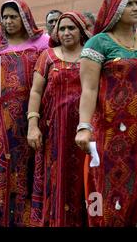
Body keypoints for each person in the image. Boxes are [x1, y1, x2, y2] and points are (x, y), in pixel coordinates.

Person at [76, 0, 137, 227]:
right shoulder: (99, 43)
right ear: (114, 10)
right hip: (111, 135)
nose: (136, 8)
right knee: (111, 191)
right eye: (129, 4)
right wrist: (84, 127)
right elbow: (89, 90)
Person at [0, 0, 48, 227]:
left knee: (28, 168)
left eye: (14, 16)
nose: (8, 21)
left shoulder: (42, 40)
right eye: (5, 17)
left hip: (33, 116)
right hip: (0, 118)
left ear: (25, 17)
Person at [27, 12, 92, 227]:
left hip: (84, 133)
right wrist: (33, 125)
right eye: (62, 28)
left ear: (81, 31)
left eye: (71, 28)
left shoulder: (92, 56)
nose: (66, 33)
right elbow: (36, 92)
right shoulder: (48, 56)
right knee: (55, 180)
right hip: (53, 133)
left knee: (83, 182)